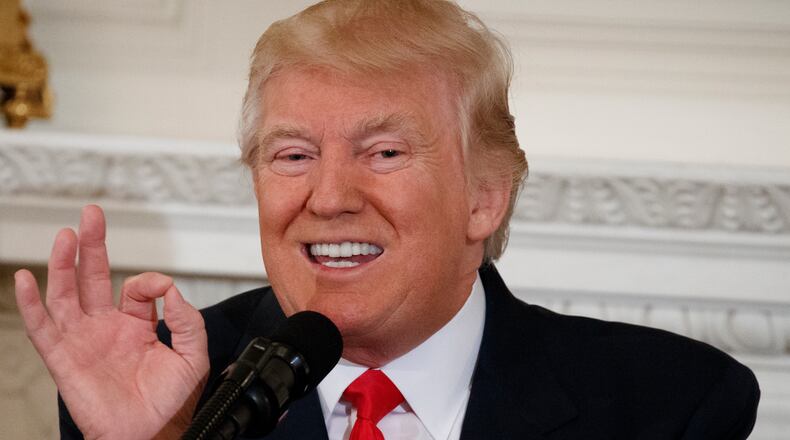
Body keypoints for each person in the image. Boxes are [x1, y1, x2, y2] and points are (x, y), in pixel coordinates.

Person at [15, 1, 760, 439]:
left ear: (485, 197)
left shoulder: (668, 405)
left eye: (385, 150)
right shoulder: (169, 392)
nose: (330, 197)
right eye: (294, 155)